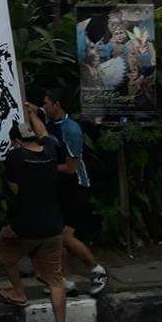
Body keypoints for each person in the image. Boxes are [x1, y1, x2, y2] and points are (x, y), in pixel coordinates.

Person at [0, 119, 71, 322]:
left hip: (26, 226)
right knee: (56, 280)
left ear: (16, 141)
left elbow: (14, 187)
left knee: (4, 246)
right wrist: (31, 112)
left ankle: (18, 292)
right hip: (54, 225)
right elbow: (44, 131)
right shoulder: (50, 149)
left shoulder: (15, 157)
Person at [29, 91, 108, 297]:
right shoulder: (50, 119)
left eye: (46, 103)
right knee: (55, 235)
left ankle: (97, 270)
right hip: (59, 186)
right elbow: (34, 110)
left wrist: (43, 167)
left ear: (57, 104)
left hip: (76, 186)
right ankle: (63, 280)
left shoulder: (70, 129)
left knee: (65, 236)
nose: (44, 106)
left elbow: (71, 168)